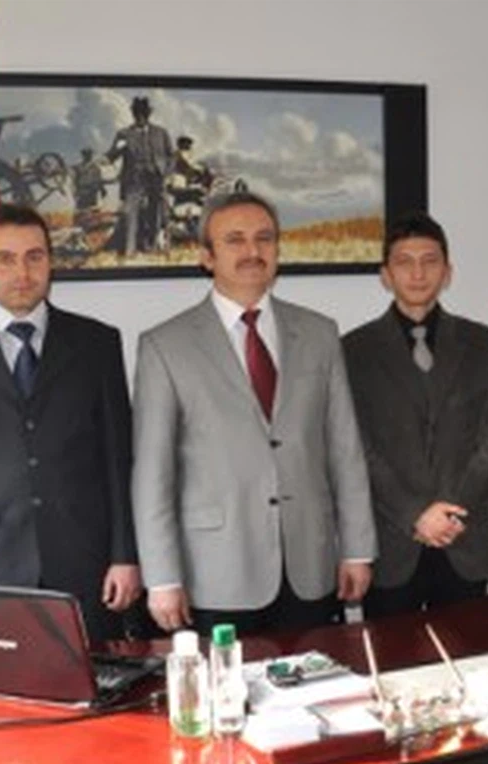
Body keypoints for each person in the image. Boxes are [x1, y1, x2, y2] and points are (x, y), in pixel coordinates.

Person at [132, 191, 376, 635]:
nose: (253, 251)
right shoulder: (165, 346)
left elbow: (345, 450)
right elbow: (153, 472)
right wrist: (162, 578)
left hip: (310, 562)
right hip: (216, 572)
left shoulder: (319, 334)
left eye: (265, 238)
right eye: (235, 240)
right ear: (206, 256)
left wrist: (357, 549)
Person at [0, 204, 142, 643]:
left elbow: (119, 459)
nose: (22, 272)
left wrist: (125, 555)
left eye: (34, 257)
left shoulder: (97, 343)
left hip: (85, 559)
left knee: (96, 677)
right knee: (0, 679)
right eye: (5, 259)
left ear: (50, 261)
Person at [343, 212, 488, 617]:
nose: (418, 273)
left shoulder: (482, 343)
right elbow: (356, 448)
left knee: (470, 654)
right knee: (391, 656)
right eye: (404, 262)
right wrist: (415, 514)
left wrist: (449, 512)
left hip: (464, 538)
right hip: (392, 544)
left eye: (430, 261)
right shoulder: (353, 350)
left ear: (448, 272)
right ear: (386, 275)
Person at [106, 96, 173, 257]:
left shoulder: (161, 133)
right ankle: (130, 250)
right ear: (133, 114)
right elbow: (111, 157)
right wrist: (118, 147)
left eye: (143, 113)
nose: (140, 116)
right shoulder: (124, 134)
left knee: (155, 213)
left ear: (148, 114)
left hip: (156, 178)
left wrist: (166, 173)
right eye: (137, 113)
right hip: (134, 179)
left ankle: (152, 247)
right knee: (130, 212)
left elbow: (171, 156)